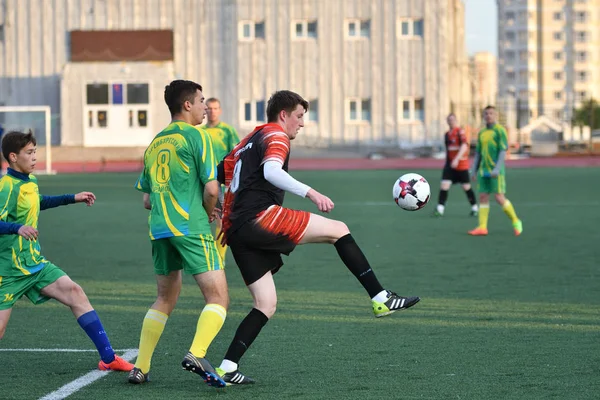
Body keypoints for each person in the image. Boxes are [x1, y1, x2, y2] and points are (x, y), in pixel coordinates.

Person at [212, 90, 420, 385]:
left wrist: (215, 205)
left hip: (236, 232)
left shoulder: (245, 142)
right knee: (339, 230)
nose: (302, 124)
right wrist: (311, 192)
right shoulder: (275, 135)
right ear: (283, 115)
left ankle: (227, 367)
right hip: (261, 217)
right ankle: (381, 298)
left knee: (266, 303)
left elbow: (215, 175)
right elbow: (271, 171)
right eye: (299, 116)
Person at [0, 130, 133, 372]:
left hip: (34, 264)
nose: (34, 157)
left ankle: (109, 357)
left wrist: (73, 197)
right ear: (12, 157)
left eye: (35, 152)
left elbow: (39, 201)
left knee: (75, 292)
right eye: (29, 153)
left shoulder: (29, 181)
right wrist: (17, 227)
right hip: (7, 271)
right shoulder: (6, 187)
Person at [129, 80, 228, 388]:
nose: (204, 107)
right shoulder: (197, 136)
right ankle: (197, 353)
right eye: (201, 101)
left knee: (164, 298)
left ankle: (140, 366)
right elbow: (212, 189)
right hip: (191, 226)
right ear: (187, 105)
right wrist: (210, 210)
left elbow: (146, 200)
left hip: (159, 229)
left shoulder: (155, 142)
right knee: (218, 297)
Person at [468, 105, 523, 236]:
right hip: (483, 171)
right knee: (482, 197)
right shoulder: (481, 132)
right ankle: (482, 227)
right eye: (486, 113)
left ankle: (516, 221)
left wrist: (497, 169)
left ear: (496, 116)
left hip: (495, 172)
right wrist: (473, 170)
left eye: (491, 113)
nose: (488, 116)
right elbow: (478, 153)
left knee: (499, 197)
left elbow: (503, 151)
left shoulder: (500, 131)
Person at [200, 98, 240, 265]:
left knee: (221, 220)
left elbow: (237, 154)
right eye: (209, 108)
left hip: (223, 184)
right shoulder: (200, 132)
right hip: (206, 182)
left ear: (220, 110)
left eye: (215, 108)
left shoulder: (227, 131)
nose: (212, 111)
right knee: (202, 219)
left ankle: (218, 259)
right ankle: (207, 256)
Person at [433, 113, 478, 217]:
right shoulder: (446, 134)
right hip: (449, 166)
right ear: (447, 121)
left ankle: (474, 207)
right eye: (449, 120)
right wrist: (449, 161)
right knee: (444, 185)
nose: (451, 122)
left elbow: (464, 146)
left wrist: (457, 159)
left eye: (453, 120)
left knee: (466, 187)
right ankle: (440, 209)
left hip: (461, 165)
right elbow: (449, 150)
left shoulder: (460, 132)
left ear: (456, 120)